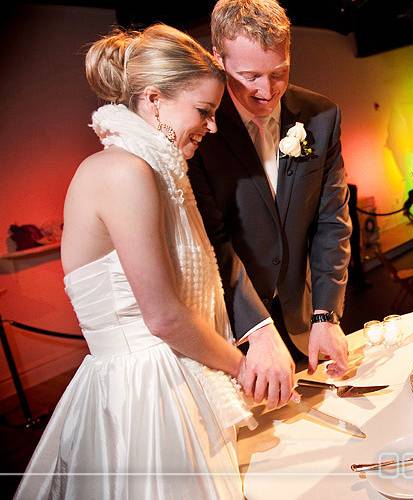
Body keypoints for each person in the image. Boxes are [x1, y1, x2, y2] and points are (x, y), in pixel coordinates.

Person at [16, 24, 260, 499]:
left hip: (167, 381)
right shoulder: (124, 171)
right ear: (153, 99)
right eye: (204, 111)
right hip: (144, 398)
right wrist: (240, 367)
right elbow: (165, 317)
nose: (211, 127)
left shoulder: (151, 169)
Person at [188, 0, 351, 398]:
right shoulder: (199, 129)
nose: (266, 89)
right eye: (249, 75)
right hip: (233, 327)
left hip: (304, 317)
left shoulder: (321, 116)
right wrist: (256, 328)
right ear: (217, 58)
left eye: (279, 72)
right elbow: (214, 239)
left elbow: (332, 220)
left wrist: (325, 314)